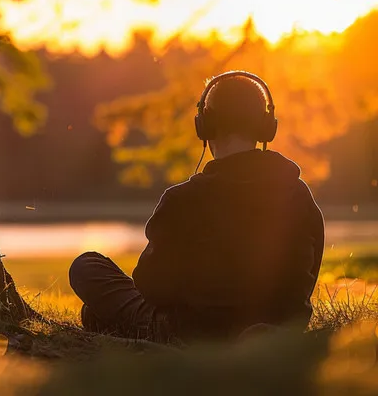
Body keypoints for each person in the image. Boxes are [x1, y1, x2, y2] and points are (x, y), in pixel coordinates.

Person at [69, 71, 325, 343]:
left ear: (205, 125)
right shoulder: (299, 194)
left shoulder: (182, 200)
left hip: (191, 330)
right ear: (266, 126)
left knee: (86, 266)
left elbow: (151, 287)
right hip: (281, 324)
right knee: (96, 311)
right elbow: (309, 275)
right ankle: (257, 334)